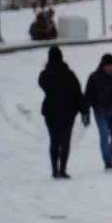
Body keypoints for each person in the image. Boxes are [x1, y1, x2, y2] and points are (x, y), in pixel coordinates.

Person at [38, 46, 85, 179]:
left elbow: (41, 83)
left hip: (51, 112)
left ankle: (54, 170)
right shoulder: (69, 73)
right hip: (68, 113)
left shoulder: (46, 74)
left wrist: (48, 68)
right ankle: (62, 170)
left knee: (54, 141)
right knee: (65, 142)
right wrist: (84, 110)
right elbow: (78, 92)